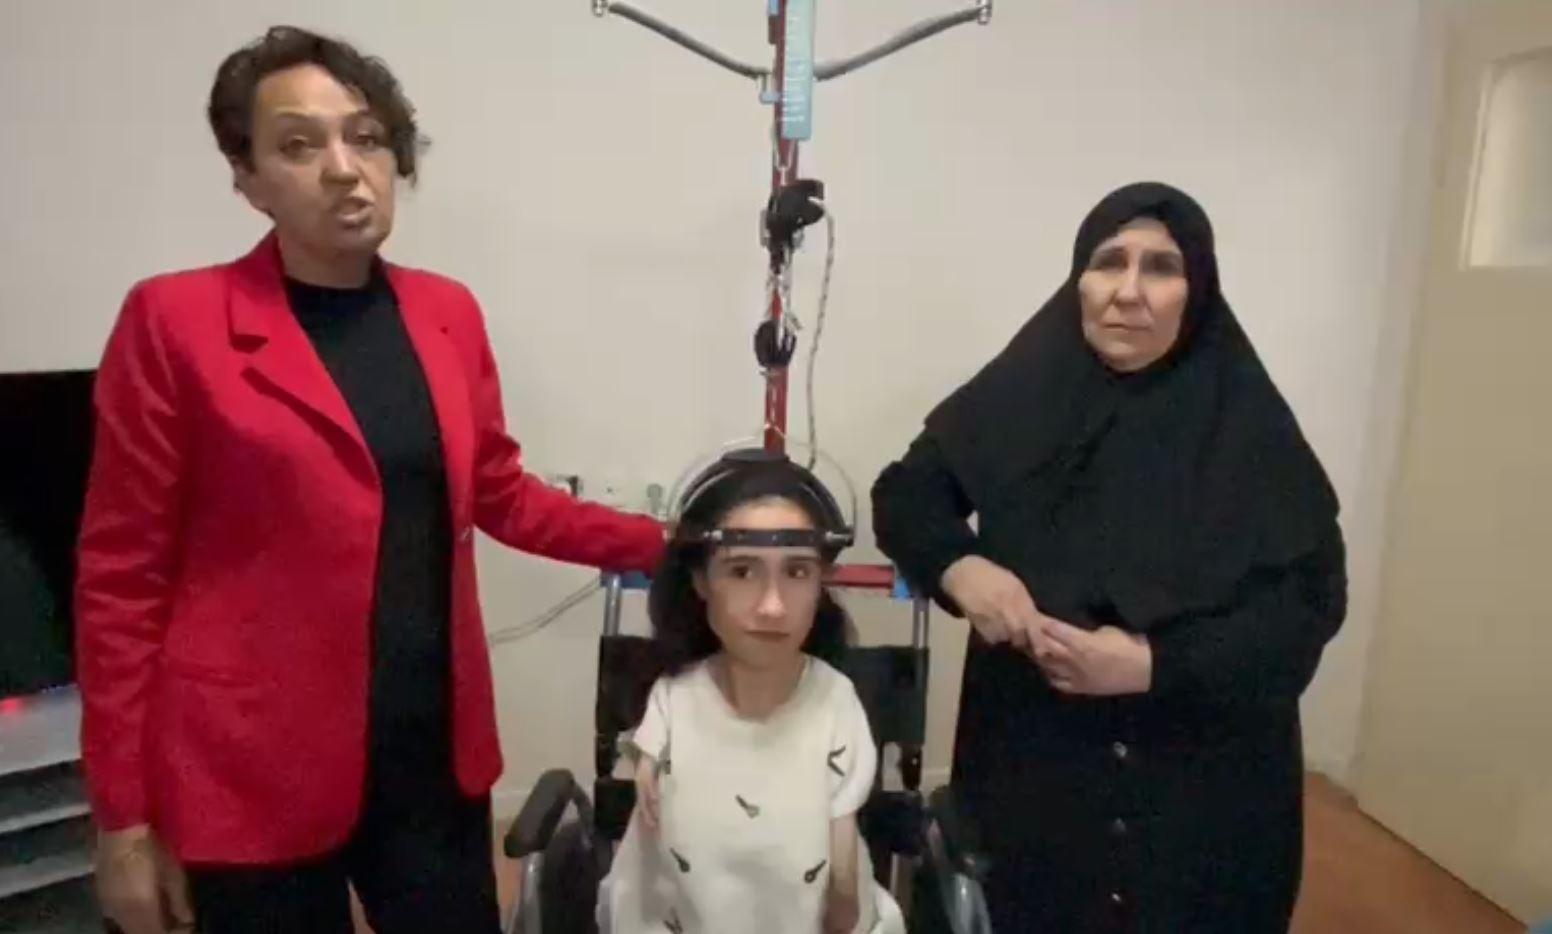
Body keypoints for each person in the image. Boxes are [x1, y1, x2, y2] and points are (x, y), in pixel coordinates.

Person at [75, 26, 665, 934]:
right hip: (246, 770)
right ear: (248, 178)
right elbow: (121, 582)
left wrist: (673, 544)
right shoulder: (173, 322)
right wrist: (123, 821)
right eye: (298, 146)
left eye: (367, 138)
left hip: (429, 760)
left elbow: (500, 492)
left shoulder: (446, 312)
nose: (345, 169)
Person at [871, 182, 1348, 933]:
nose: (1129, 291)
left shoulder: (1246, 425)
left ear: (1197, 289)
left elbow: (1307, 610)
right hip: (1038, 771)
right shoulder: (1024, 391)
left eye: (1161, 267)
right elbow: (905, 497)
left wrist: (1154, 665)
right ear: (1079, 280)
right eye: (1108, 262)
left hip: (1205, 787)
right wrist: (961, 568)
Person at [601, 449, 905, 934]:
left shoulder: (834, 702)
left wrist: (843, 908)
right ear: (701, 580)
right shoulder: (672, 698)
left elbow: (843, 884)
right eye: (742, 571)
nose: (772, 606)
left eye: (797, 572)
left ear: (821, 582)